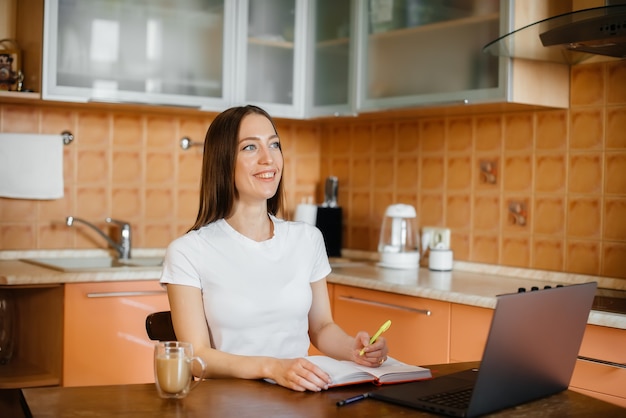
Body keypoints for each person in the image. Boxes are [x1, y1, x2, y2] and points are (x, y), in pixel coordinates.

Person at [160, 105, 389, 392]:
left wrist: (354, 349)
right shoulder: (188, 251)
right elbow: (195, 357)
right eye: (250, 147)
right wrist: (272, 367)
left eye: (274, 145)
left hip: (300, 398)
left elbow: (321, 328)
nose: (268, 159)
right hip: (226, 403)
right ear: (223, 161)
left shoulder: (308, 239)